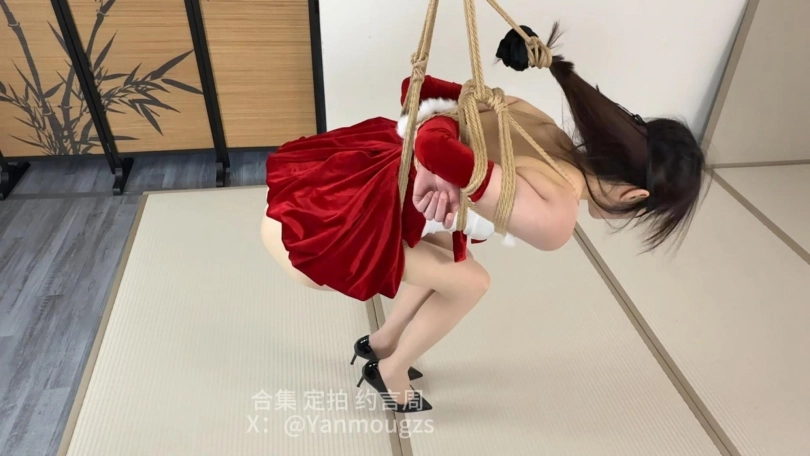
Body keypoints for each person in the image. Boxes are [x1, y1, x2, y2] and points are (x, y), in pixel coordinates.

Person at [260, 25, 706, 413]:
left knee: (453, 252)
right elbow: (433, 147)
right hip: (339, 228)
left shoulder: (539, 121)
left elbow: (417, 90)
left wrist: (445, 152)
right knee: (473, 282)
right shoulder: (556, 212)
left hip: (341, 179)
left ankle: (381, 343)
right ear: (635, 195)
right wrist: (438, 166)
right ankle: (391, 373)